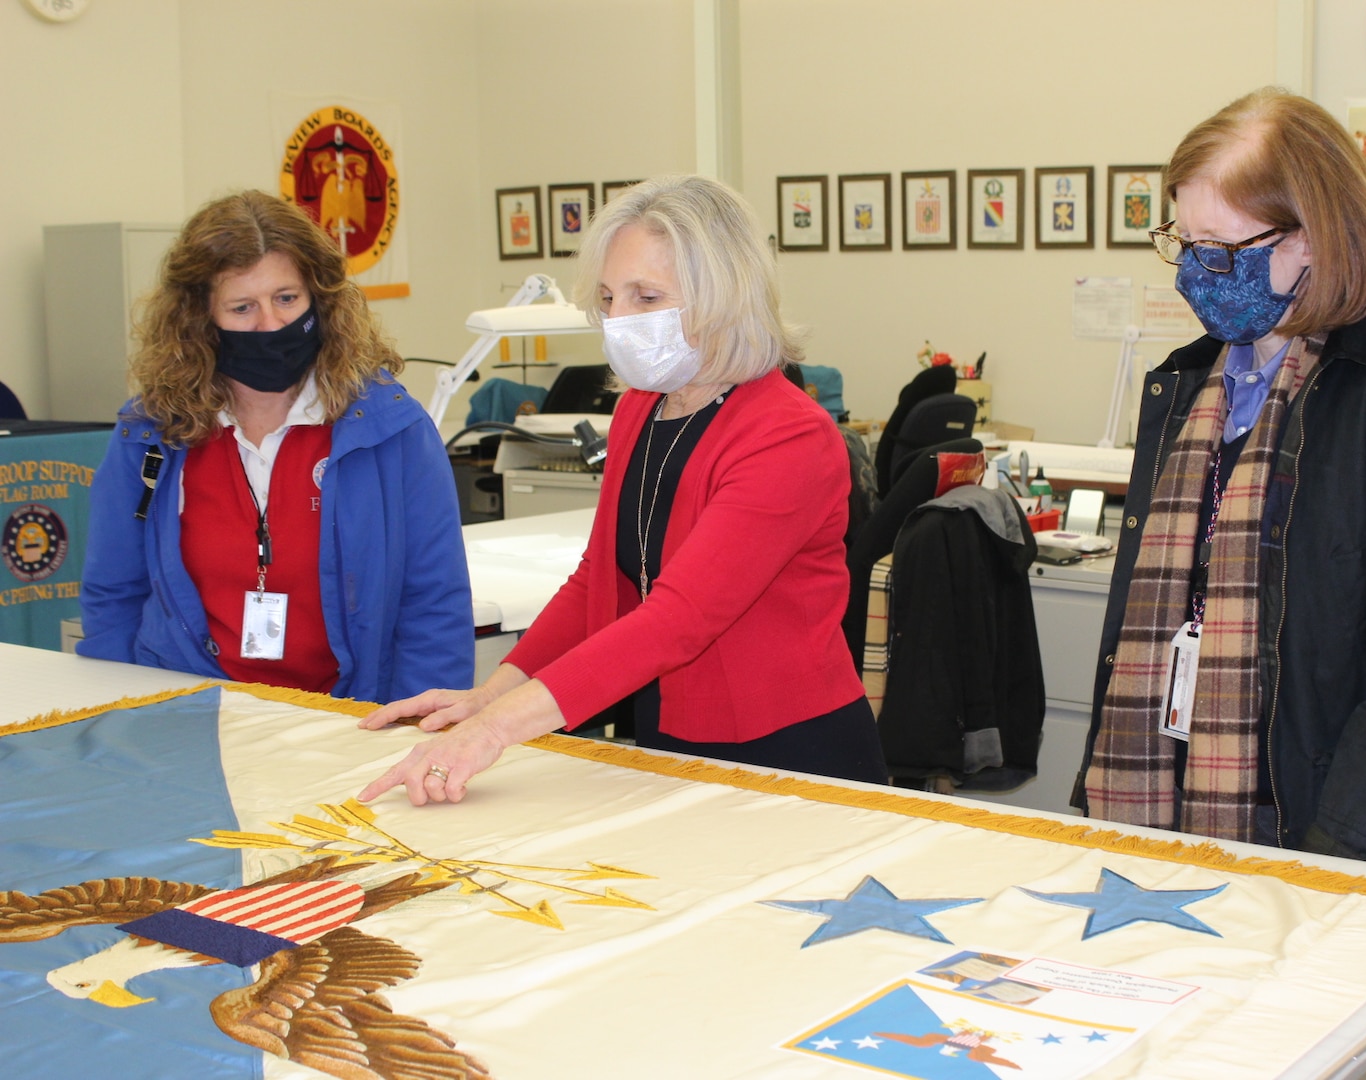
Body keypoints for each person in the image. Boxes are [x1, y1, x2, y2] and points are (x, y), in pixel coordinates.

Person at [1077, 88, 1366, 883]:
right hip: (1182, 824)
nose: (1197, 273)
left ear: (1313, 236)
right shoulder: (1189, 390)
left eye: (1223, 248)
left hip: (1353, 846)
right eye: (1185, 241)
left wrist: (1336, 858)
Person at [357, 175, 885, 805]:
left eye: (646, 297)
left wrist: (495, 732)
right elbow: (597, 583)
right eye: (609, 298)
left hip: (789, 755)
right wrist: (488, 696)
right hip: (670, 739)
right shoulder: (641, 408)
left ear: (724, 298)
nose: (618, 320)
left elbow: (679, 617)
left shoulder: (789, 436)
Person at [78, 190, 473, 701]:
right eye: (242, 307)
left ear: (320, 296)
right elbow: (114, 591)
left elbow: (434, 601)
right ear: (200, 320)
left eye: (287, 299)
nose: (270, 325)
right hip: (190, 714)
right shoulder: (151, 432)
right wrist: (122, 715)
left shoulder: (390, 427)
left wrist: (417, 728)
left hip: (349, 717)